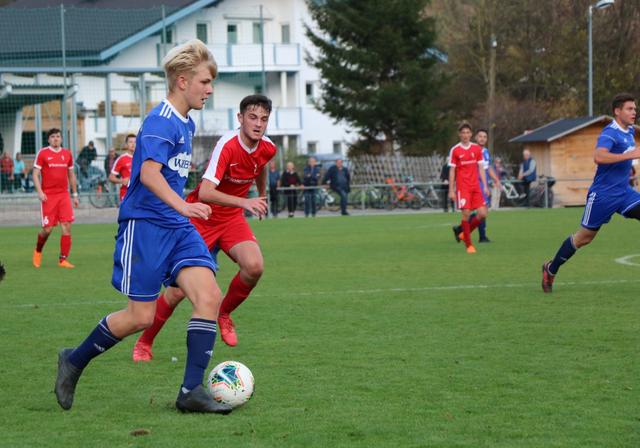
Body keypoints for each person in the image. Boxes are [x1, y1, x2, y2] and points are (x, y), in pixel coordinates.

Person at [54, 39, 232, 414]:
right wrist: (185, 205)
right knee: (141, 317)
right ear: (182, 81)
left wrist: (183, 210)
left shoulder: (186, 121)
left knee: (209, 297)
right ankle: (74, 360)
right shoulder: (160, 121)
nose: (210, 89)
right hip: (146, 226)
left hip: (177, 227)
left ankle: (190, 391)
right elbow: (150, 176)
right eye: (205, 81)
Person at [131, 94, 275, 361]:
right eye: (253, 117)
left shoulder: (268, 147)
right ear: (240, 118)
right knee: (177, 291)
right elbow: (206, 192)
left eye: (264, 119)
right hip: (201, 217)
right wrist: (246, 202)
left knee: (254, 266)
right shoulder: (227, 145)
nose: (258, 124)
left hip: (231, 219)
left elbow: (261, 166)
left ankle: (224, 313)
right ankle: (144, 342)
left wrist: (262, 195)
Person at [542, 93, 640, 293]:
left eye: (635, 109)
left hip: (624, 193)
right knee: (583, 238)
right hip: (603, 195)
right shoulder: (609, 133)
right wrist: (630, 155)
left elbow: (627, 153)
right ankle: (551, 269)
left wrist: (630, 164)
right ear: (617, 111)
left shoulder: (629, 131)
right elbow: (599, 157)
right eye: (630, 109)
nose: (634, 112)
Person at [32, 129, 79, 268]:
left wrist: (75, 195)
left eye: (58, 136)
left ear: (61, 139)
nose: (56, 139)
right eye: (52, 137)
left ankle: (63, 259)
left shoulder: (67, 154)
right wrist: (40, 192)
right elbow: (35, 174)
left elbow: (71, 175)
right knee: (47, 229)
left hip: (63, 195)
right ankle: (38, 250)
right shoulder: (43, 153)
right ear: (48, 140)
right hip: (48, 195)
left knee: (67, 226)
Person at [448, 123, 489, 254]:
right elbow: (452, 171)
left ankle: (463, 234)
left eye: (467, 132)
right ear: (459, 134)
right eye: (463, 133)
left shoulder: (476, 149)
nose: (465, 135)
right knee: (466, 213)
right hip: (463, 187)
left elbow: (481, 168)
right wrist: (451, 190)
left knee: (482, 213)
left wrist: (485, 186)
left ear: (471, 134)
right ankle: (469, 244)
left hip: (475, 186)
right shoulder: (455, 150)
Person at [108, 134, 136, 203]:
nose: (133, 144)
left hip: (139, 195)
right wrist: (122, 181)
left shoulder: (142, 158)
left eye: (135, 142)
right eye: (130, 142)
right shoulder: (121, 159)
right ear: (126, 145)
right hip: (126, 194)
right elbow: (111, 177)